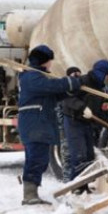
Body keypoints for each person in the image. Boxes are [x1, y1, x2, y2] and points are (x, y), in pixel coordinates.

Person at [17, 45, 81, 205]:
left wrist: (71, 87)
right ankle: (29, 195)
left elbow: (54, 94)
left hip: (38, 123)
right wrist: (70, 82)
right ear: (44, 61)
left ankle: (31, 193)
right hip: (35, 124)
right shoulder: (32, 77)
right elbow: (52, 86)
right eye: (50, 60)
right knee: (36, 159)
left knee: (39, 158)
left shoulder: (37, 77)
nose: (51, 64)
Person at [60, 60, 108, 186]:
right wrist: (82, 107)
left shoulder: (100, 89)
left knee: (89, 157)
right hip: (73, 121)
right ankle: (75, 188)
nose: (104, 77)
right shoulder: (82, 81)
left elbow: (98, 112)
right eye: (104, 73)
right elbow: (66, 98)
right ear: (98, 72)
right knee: (79, 157)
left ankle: (85, 188)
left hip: (87, 124)